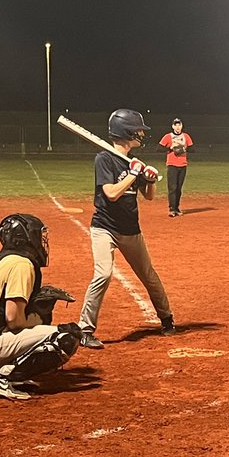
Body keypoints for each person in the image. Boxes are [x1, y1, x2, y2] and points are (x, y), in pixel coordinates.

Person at [0, 214, 83, 400]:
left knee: (39, 327)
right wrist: (39, 317)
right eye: (38, 235)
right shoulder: (22, 265)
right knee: (64, 338)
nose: (41, 241)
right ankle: (3, 378)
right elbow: (13, 320)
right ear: (25, 237)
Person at [78, 109, 177, 349]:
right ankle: (85, 329)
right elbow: (110, 193)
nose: (142, 134)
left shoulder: (134, 162)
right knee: (103, 274)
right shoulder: (105, 159)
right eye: (139, 130)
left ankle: (167, 319)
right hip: (104, 228)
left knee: (148, 275)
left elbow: (149, 196)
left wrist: (149, 179)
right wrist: (133, 173)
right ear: (127, 132)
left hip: (130, 229)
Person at [158, 117, 193, 217]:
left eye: (179, 124)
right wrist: (170, 147)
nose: (178, 127)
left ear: (182, 126)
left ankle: (177, 207)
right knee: (172, 187)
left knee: (179, 188)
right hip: (172, 164)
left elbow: (192, 148)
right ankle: (171, 209)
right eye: (176, 124)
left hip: (183, 165)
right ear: (172, 126)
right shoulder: (168, 136)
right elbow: (158, 148)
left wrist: (184, 148)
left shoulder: (186, 136)